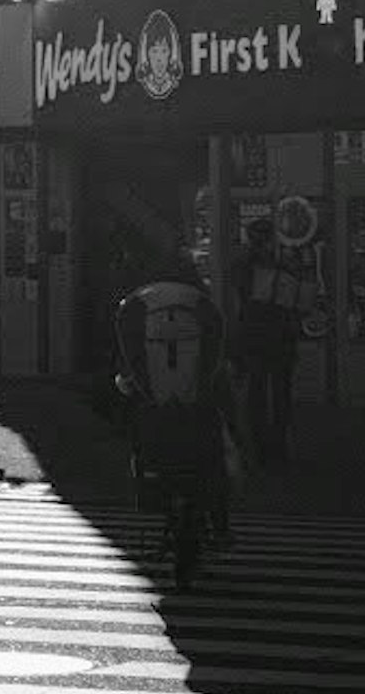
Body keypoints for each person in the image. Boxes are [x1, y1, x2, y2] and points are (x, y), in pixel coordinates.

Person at [117, 262, 235, 549]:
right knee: (214, 450)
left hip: (154, 397)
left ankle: (152, 492)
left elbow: (127, 349)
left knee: (144, 438)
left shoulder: (135, 303)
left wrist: (134, 383)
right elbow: (215, 348)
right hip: (195, 397)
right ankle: (220, 526)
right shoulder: (201, 303)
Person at [230, 209, 303, 465]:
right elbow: (296, 302)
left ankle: (260, 446)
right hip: (280, 336)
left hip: (254, 335)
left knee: (257, 392)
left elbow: (241, 301)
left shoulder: (242, 266)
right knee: (280, 392)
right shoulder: (285, 267)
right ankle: (278, 446)